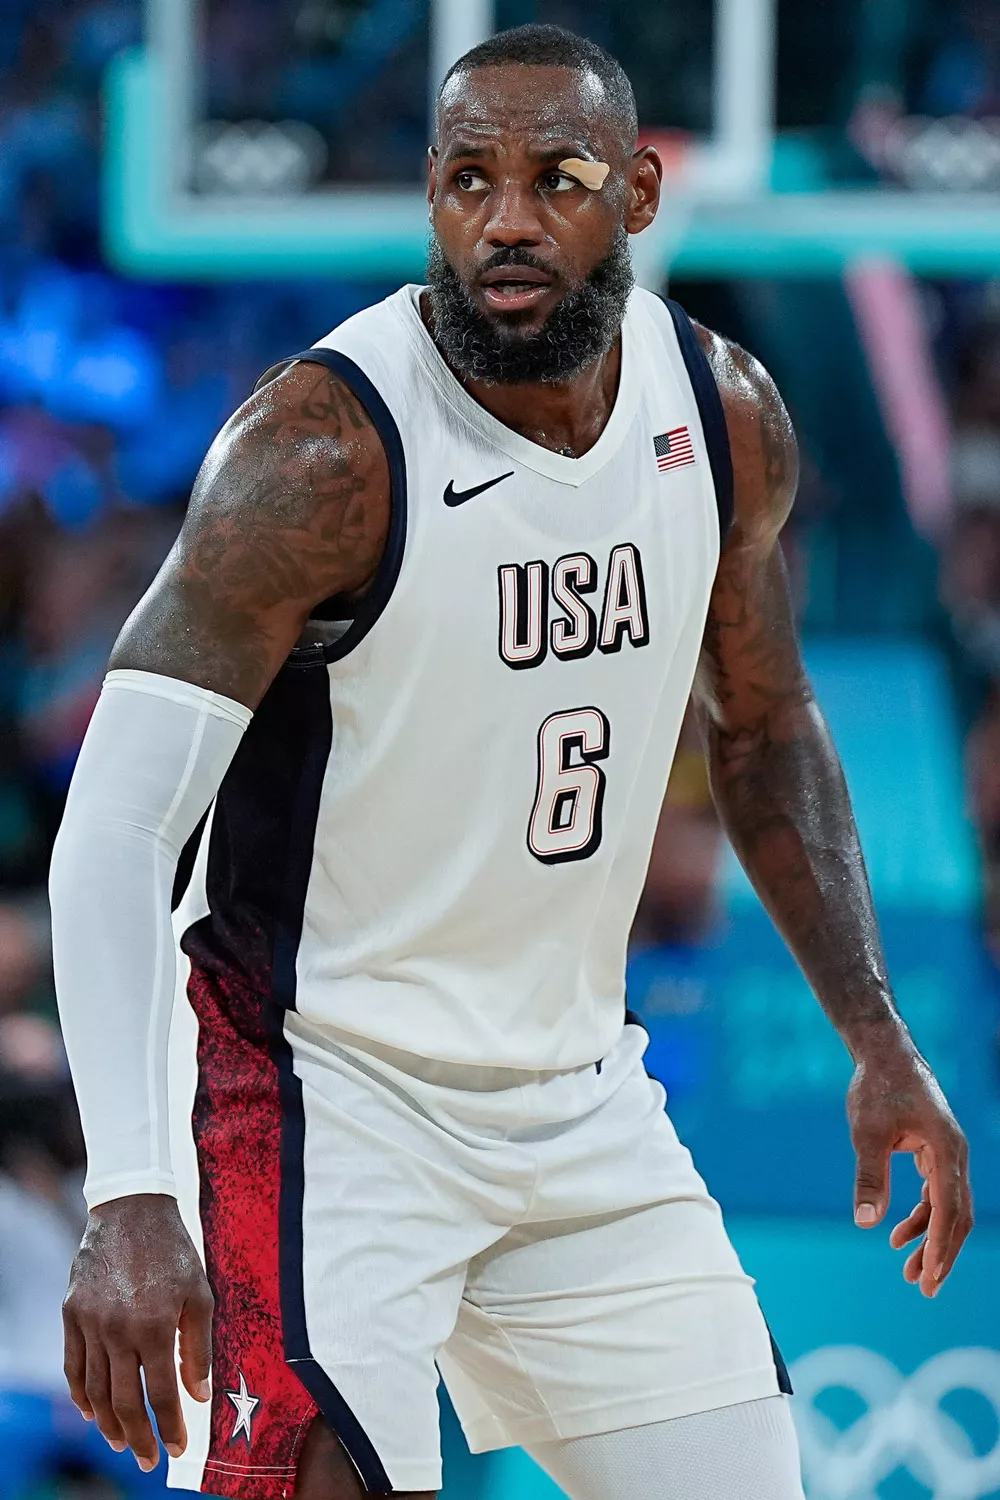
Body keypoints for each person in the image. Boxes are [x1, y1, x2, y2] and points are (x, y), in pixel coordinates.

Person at [49, 24, 973, 1500]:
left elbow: (767, 725)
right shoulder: (319, 454)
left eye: (558, 177)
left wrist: (876, 1036)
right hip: (314, 1093)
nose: (510, 221)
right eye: (470, 182)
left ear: (642, 198)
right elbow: (112, 830)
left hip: (576, 1097)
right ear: (432, 198)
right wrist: (131, 1190)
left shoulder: (723, 419)